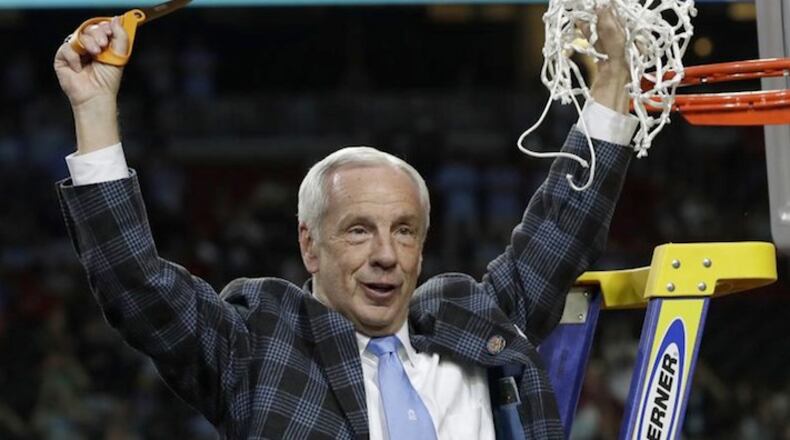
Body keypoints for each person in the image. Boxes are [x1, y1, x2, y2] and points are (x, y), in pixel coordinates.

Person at [54, 9, 637, 440]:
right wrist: (93, 108)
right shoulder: (256, 348)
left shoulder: (471, 318)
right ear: (309, 246)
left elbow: (562, 230)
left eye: (404, 231)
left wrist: (611, 83)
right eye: (359, 230)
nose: (386, 254)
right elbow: (135, 282)